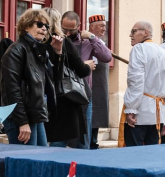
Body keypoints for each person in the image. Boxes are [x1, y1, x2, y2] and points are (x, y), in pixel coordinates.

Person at [0, 8, 53, 146]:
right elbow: (12, 90)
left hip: (35, 115)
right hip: (20, 117)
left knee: (41, 161)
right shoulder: (16, 50)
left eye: (46, 26)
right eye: (39, 24)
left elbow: (49, 83)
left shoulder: (38, 51)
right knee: (25, 163)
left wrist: (58, 52)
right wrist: (22, 122)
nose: (44, 29)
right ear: (26, 26)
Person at [60, 11, 111, 149]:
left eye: (71, 30)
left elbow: (107, 57)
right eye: (65, 29)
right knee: (59, 140)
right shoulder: (58, 40)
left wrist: (92, 37)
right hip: (61, 96)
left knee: (83, 140)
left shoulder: (87, 42)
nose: (68, 33)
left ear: (79, 26)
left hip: (82, 96)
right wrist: (83, 65)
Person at [43, 8, 92, 148]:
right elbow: (82, 70)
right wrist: (88, 66)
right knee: (74, 139)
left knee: (54, 139)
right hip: (68, 96)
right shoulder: (63, 42)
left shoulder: (37, 43)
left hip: (46, 96)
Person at [122, 21, 165, 146]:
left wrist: (131, 109)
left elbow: (135, 81)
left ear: (145, 32)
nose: (131, 35)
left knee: (134, 154)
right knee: (153, 155)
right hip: (158, 115)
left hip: (140, 113)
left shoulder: (139, 49)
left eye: (134, 31)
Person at [86, 14, 113, 149]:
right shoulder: (89, 42)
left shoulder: (100, 42)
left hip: (100, 85)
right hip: (93, 83)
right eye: (101, 25)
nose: (104, 28)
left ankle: (94, 139)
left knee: (98, 113)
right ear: (92, 27)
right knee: (93, 114)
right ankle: (91, 141)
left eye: (104, 25)